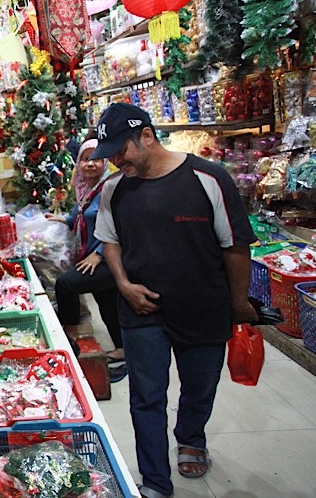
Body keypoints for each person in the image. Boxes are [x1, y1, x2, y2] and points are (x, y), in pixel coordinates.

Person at [91, 103, 258, 498]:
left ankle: (191, 438)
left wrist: (238, 303)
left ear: (146, 136)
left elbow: (235, 245)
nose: (115, 160)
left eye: (121, 150)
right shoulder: (116, 188)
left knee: (199, 386)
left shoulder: (207, 178)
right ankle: (154, 481)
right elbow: (110, 241)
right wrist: (124, 284)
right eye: (110, 153)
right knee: (146, 396)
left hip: (203, 304)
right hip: (141, 310)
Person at [45, 133, 126, 383]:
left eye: (96, 159)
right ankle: (124, 348)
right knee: (107, 302)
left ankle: (70, 339)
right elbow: (81, 216)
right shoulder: (85, 189)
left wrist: (99, 255)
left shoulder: (108, 188)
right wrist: (62, 220)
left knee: (66, 284)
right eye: (85, 160)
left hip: (109, 259)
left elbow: (118, 227)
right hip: (93, 255)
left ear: (105, 162)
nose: (90, 164)